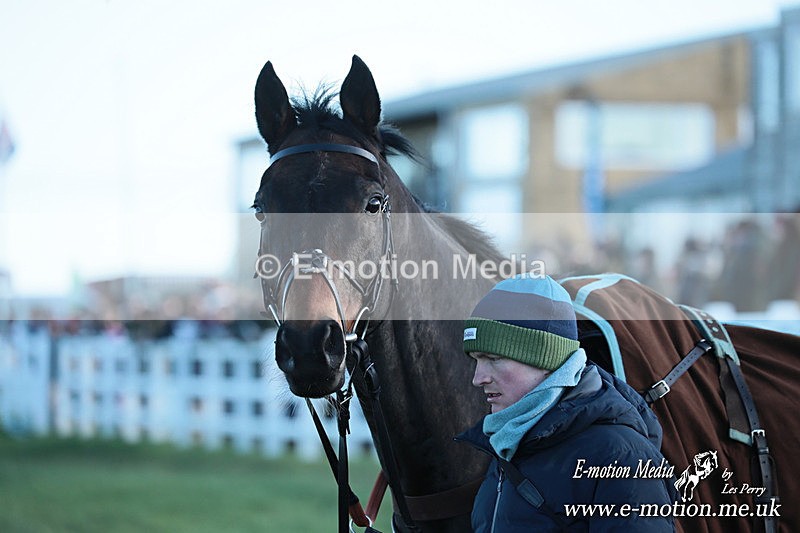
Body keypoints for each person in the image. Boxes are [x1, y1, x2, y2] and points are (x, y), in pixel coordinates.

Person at [456, 274, 676, 532]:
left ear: (544, 359)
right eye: (476, 360)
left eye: (492, 358)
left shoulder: (621, 458)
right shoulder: (509, 443)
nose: (477, 379)